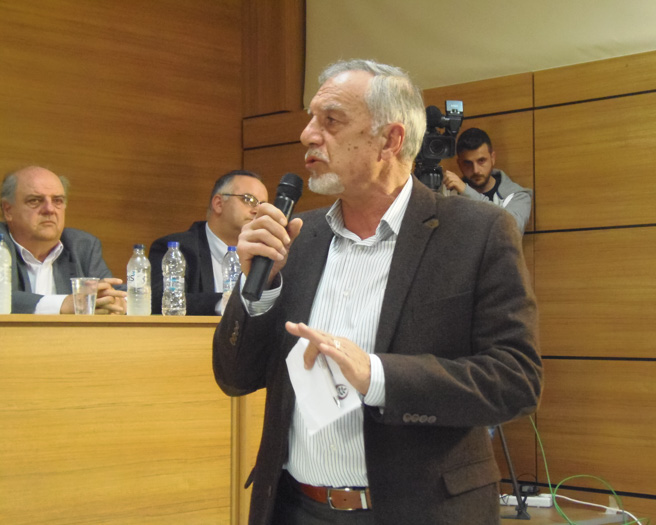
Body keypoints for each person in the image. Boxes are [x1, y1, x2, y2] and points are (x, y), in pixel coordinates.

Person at [213, 59, 542, 525]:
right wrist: (256, 290)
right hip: (294, 509)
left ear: (390, 140)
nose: (307, 135)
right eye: (310, 119)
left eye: (331, 120)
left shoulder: (478, 232)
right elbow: (235, 377)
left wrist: (379, 376)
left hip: (420, 513)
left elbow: (516, 380)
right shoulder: (297, 238)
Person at [0, 166, 125, 314]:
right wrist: (63, 304)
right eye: (35, 201)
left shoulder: (81, 245)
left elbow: (117, 293)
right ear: (8, 210)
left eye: (57, 201)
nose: (49, 209)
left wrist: (116, 302)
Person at [149, 170, 268, 315]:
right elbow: (160, 301)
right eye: (248, 200)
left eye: (262, 205)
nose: (257, 210)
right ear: (218, 204)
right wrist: (225, 303)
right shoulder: (177, 250)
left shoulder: (265, 255)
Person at [442, 127, 532, 234]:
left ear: (492, 158)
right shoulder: (448, 195)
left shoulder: (516, 196)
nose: (476, 170)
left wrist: (467, 191)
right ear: (459, 164)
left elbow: (510, 231)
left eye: (481, 161)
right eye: (468, 163)